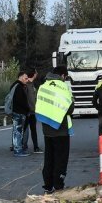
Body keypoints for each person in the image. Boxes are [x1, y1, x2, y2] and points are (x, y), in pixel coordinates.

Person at [35, 66, 74, 195]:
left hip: (47, 128)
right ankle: (58, 186)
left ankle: (47, 186)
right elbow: (70, 109)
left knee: (49, 158)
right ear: (63, 75)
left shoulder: (43, 86)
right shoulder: (63, 87)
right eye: (66, 77)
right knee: (60, 159)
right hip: (61, 129)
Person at [9, 70, 31, 157]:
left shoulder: (15, 85)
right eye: (25, 78)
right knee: (18, 132)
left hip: (17, 111)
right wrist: (27, 109)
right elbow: (20, 101)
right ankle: (18, 150)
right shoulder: (18, 86)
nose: (27, 80)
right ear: (21, 77)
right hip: (19, 112)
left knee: (17, 131)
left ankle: (17, 148)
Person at [21, 69, 41, 154]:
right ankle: (21, 145)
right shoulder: (27, 85)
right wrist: (28, 109)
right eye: (36, 73)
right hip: (28, 111)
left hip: (32, 111)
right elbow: (27, 98)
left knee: (32, 130)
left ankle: (35, 146)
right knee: (24, 129)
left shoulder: (31, 84)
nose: (37, 75)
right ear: (34, 74)